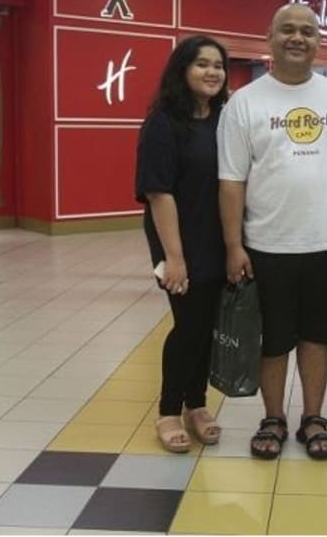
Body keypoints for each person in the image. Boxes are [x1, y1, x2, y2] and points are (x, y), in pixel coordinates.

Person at [218, 3, 327, 460]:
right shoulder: (244, 103)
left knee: (318, 336)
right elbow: (231, 180)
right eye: (287, 30)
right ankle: (274, 416)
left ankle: (313, 417)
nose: (297, 37)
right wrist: (233, 245)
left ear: (320, 42)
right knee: (273, 338)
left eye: (307, 30)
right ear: (270, 38)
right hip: (267, 244)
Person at [135, 35, 229, 453]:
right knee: (189, 326)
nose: (212, 72)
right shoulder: (163, 122)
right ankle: (169, 410)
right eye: (201, 64)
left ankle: (197, 405)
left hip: (218, 237)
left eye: (218, 65)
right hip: (178, 238)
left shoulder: (224, 118)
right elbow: (158, 192)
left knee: (207, 326)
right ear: (182, 70)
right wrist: (174, 258)